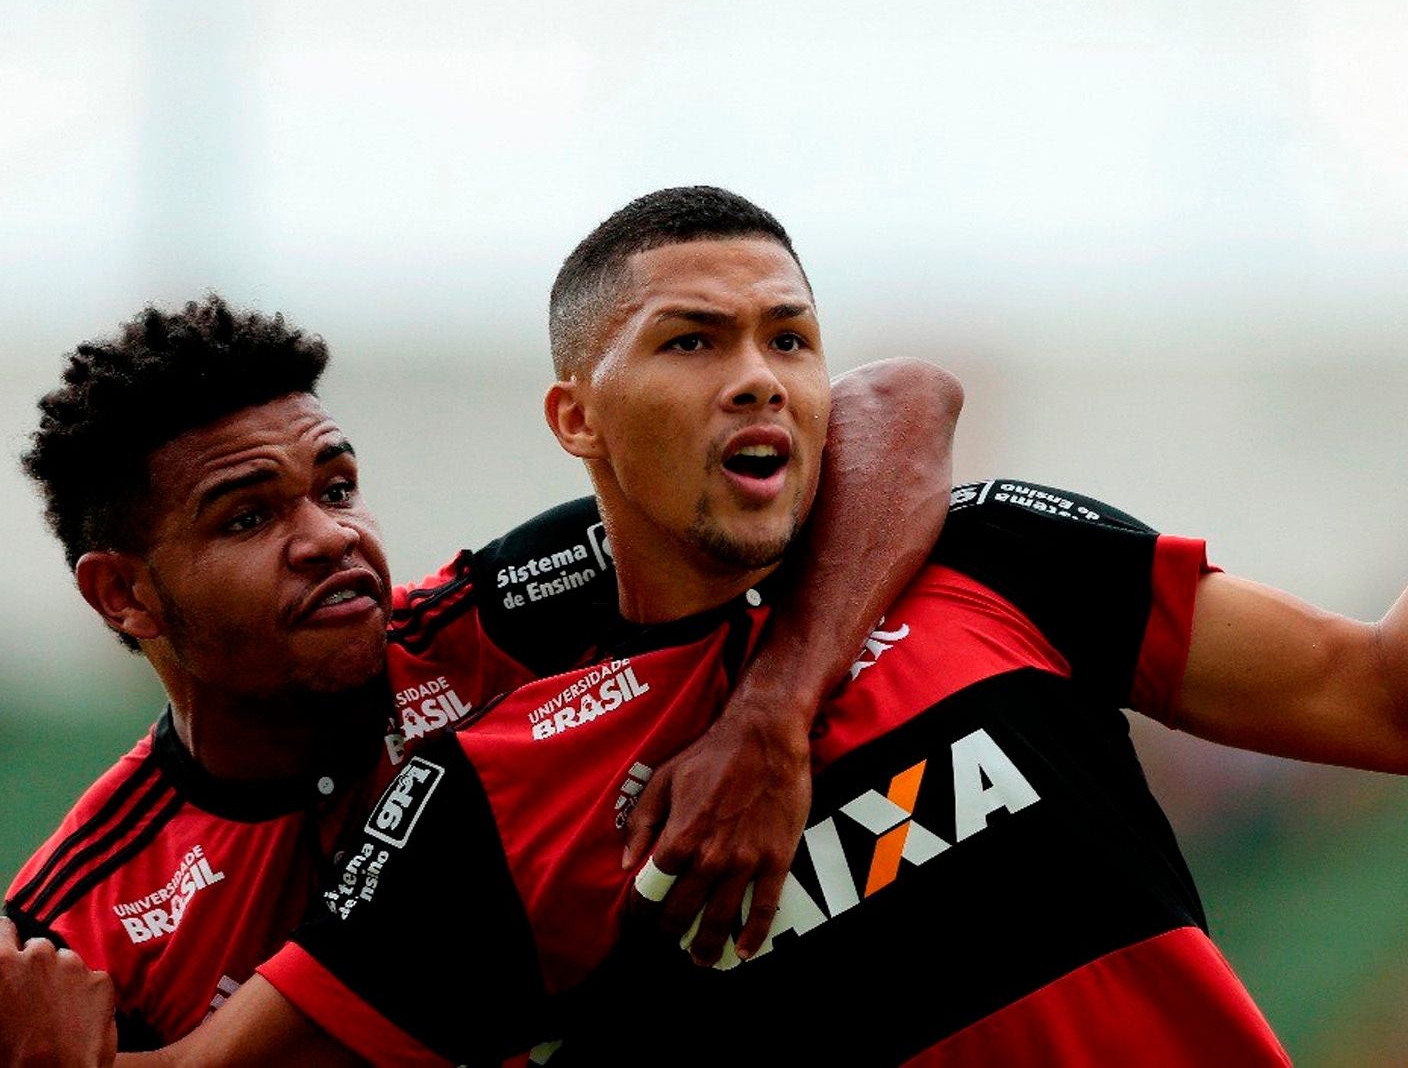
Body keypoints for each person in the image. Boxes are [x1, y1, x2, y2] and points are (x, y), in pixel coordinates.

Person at [130, 80, 1408, 1065]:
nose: (758, 378)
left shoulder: (997, 554)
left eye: (789, 338)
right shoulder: (501, 794)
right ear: (576, 419)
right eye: (692, 342)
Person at [0, 296, 960, 1052]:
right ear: (122, 593)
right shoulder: (72, 924)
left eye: (338, 488)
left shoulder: (485, 619)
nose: (330, 537)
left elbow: (897, 402)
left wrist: (771, 714)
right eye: (248, 518)